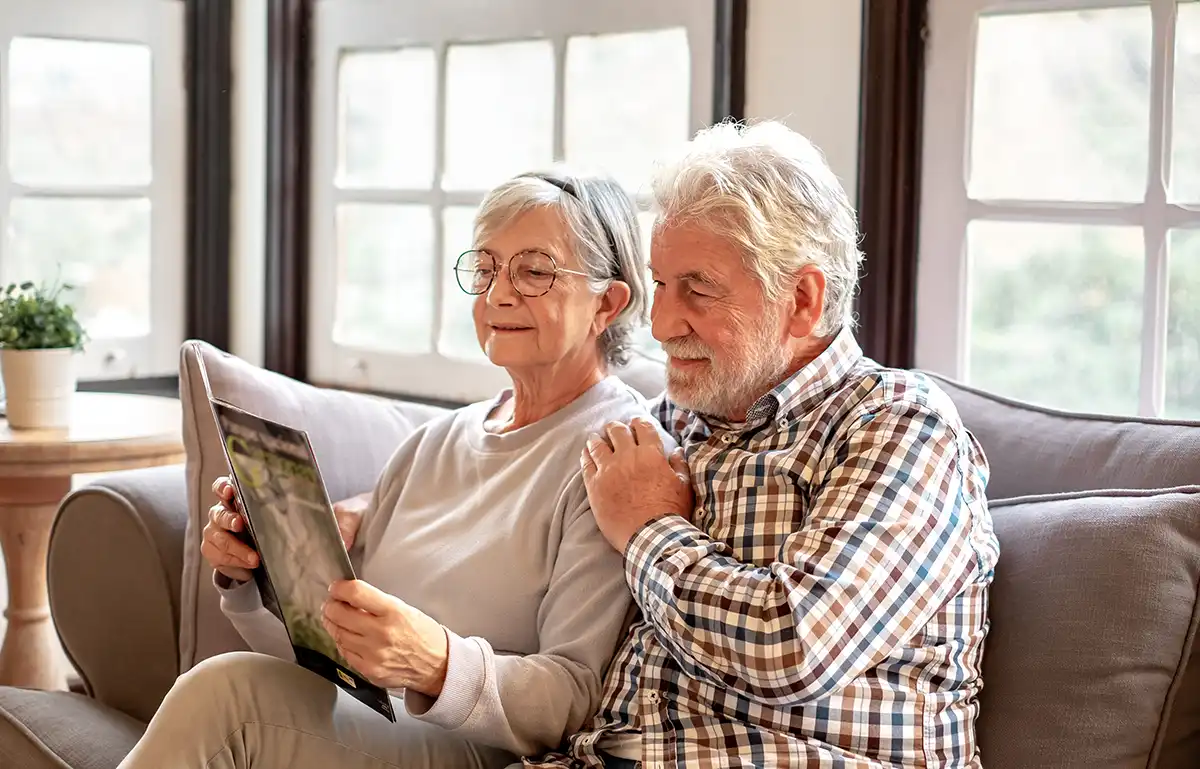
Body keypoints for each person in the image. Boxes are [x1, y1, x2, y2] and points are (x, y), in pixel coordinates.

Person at [117, 168, 683, 769]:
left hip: (471, 750)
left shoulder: (616, 459)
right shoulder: (434, 443)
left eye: (535, 271)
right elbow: (320, 660)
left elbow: (571, 698)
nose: (497, 296)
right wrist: (254, 575)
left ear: (608, 301)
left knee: (226, 692)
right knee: (230, 687)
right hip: (359, 728)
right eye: (486, 268)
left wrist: (436, 661)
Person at [525, 120, 1000, 768]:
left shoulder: (899, 428)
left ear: (801, 300)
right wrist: (380, 514)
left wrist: (649, 528)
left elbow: (795, 643)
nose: (661, 323)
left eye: (697, 288)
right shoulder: (673, 418)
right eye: (660, 283)